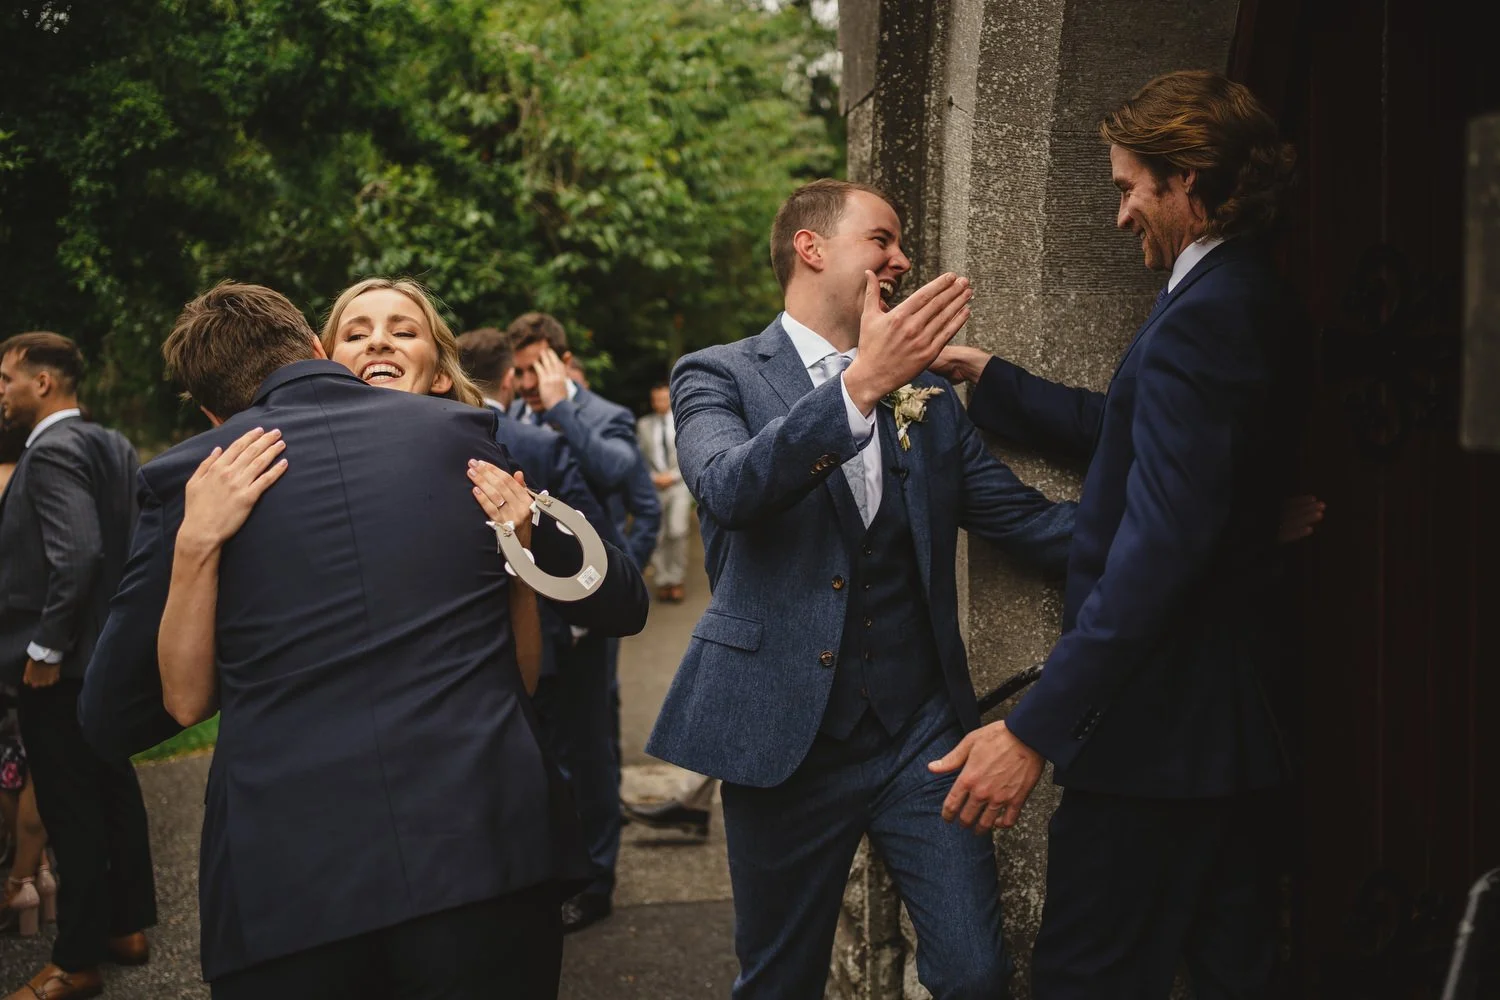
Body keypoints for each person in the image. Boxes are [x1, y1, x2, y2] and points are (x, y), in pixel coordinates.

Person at [77, 282, 649, 999]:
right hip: (369, 874)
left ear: (442, 369)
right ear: (323, 354)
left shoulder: (477, 451)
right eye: (358, 331)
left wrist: (524, 543)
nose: (378, 342)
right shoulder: (212, 488)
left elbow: (115, 718)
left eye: (403, 329)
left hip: (392, 861)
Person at [646, 178, 1078, 999]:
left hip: (920, 733)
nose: (902, 258)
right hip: (782, 736)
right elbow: (730, 487)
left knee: (977, 974)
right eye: (882, 239)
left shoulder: (933, 402)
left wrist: (1193, 527)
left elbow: (1030, 525)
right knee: (780, 980)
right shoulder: (717, 375)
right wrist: (859, 387)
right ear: (811, 248)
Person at [927, 71, 1300, 998]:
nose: (1124, 212)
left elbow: (1161, 545)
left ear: (1191, 181)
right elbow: (1143, 436)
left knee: (1086, 979)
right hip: (1222, 739)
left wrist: (1035, 728)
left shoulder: (1203, 316)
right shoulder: (1241, 295)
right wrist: (995, 378)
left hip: (1153, 749)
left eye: (1132, 187)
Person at [0, 332, 157, 1000]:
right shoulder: (112, 443)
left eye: (6, 379)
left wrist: (44, 650)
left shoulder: (52, 450)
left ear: (44, 383)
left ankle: (78, 960)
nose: (1, 393)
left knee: (70, 805)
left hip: (57, 670)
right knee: (114, 787)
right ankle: (127, 926)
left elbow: (79, 553)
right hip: (106, 657)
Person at [506, 313, 660, 932]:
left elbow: (622, 477)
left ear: (562, 361)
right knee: (549, 751)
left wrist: (563, 406)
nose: (523, 382)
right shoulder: (510, 422)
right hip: (532, 617)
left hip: (587, 615)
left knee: (593, 750)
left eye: (534, 368)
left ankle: (598, 878)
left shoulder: (602, 414)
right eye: (517, 371)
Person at [637, 382, 691, 603]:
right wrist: (652, 478)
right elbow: (639, 457)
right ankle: (663, 580)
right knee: (657, 535)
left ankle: (676, 578)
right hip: (654, 485)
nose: (659, 403)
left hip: (678, 484)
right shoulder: (643, 424)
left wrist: (674, 476)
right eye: (656, 399)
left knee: (677, 531)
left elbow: (689, 454)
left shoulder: (682, 423)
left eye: (663, 399)